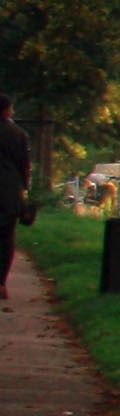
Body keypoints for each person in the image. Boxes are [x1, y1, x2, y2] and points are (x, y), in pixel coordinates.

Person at [0, 94, 29, 303]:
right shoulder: (18, 134)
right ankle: (1, 282)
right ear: (7, 110)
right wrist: (23, 189)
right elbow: (23, 165)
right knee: (6, 238)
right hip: (8, 191)